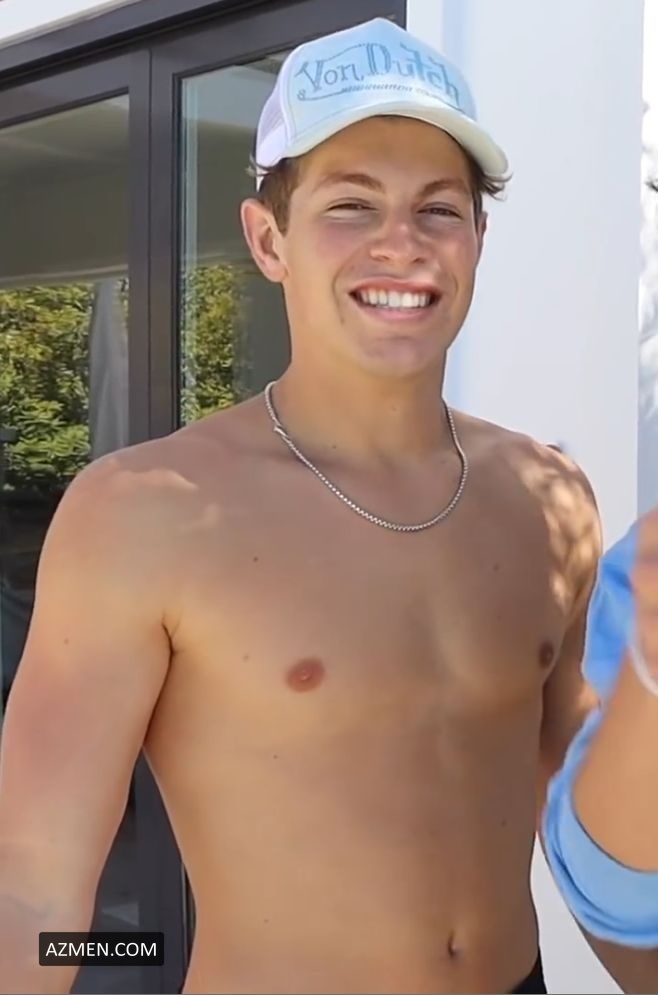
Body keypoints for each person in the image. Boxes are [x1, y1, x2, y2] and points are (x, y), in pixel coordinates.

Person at [0, 16, 653, 995]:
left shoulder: (547, 497)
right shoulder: (143, 513)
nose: (402, 243)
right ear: (269, 238)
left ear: (478, 239)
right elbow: (34, 892)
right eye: (351, 205)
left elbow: (593, 839)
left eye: (439, 209)